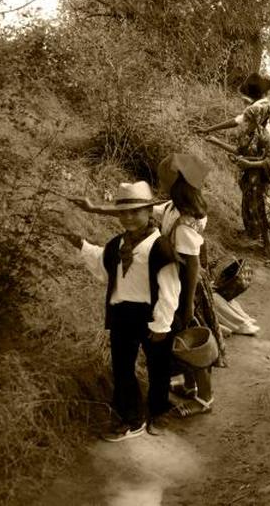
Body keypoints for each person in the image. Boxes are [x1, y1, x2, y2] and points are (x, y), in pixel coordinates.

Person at [58, 182, 179, 441]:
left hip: (152, 315)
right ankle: (130, 418)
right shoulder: (116, 245)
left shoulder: (160, 247)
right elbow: (103, 265)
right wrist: (80, 244)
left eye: (135, 212)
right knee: (123, 367)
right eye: (123, 212)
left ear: (149, 212)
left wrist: (162, 323)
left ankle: (158, 412)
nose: (128, 217)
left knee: (159, 366)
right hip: (122, 313)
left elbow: (170, 289)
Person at [154, 153, 222, 418]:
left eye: (162, 180)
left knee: (194, 341)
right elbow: (156, 208)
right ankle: (190, 385)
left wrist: (188, 305)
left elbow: (192, 265)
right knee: (182, 339)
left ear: (176, 185)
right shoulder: (177, 208)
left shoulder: (183, 225)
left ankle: (205, 396)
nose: (159, 183)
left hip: (186, 288)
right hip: (181, 285)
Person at [197, 73, 270, 254]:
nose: (243, 104)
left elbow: (236, 122)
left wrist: (209, 130)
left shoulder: (257, 111)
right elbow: (238, 129)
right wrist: (210, 132)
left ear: (250, 96)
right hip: (267, 156)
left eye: (244, 98)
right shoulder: (261, 107)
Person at [204, 102, 270, 267]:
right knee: (257, 213)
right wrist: (215, 141)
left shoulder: (265, 137)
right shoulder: (247, 133)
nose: (244, 121)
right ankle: (266, 245)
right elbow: (239, 151)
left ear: (256, 120)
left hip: (263, 183)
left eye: (248, 119)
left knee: (269, 216)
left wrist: (250, 165)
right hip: (249, 182)